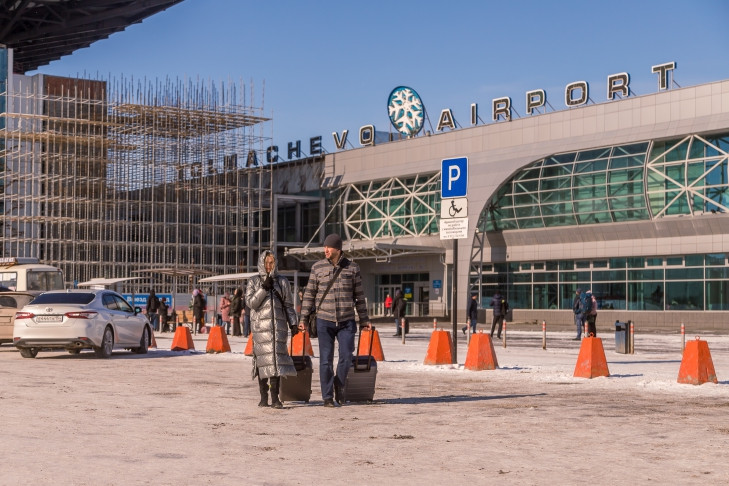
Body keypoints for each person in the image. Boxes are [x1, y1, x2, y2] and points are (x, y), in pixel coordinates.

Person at [299, 233, 372, 407]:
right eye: (324, 247)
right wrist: (303, 318)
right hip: (324, 320)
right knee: (325, 360)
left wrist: (364, 320)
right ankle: (327, 397)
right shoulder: (317, 268)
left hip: (347, 321)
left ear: (338, 249)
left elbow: (359, 297)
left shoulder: (353, 268)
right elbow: (309, 295)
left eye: (328, 247)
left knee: (346, 356)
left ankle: (339, 385)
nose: (325, 250)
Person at [246, 250, 298, 409]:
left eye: (272, 263)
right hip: (261, 329)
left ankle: (275, 398)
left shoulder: (282, 282)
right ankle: (263, 397)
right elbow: (251, 303)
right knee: (262, 362)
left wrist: (293, 323)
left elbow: (288, 305)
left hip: (278, 328)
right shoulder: (253, 281)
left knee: (276, 363)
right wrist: (263, 288)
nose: (269, 266)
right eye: (266, 262)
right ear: (262, 263)